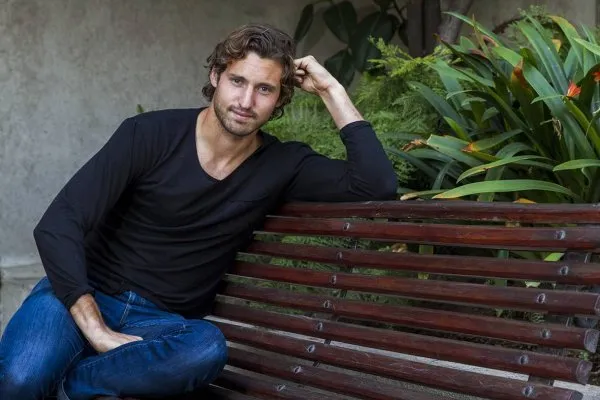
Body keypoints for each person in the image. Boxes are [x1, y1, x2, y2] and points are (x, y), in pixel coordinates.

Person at [0, 23, 397, 400]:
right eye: (237, 81)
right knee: (20, 381)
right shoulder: (148, 134)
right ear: (215, 76)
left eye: (264, 89)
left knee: (205, 348)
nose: (246, 101)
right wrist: (97, 330)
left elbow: (375, 186)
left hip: (159, 324)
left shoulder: (281, 165)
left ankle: (71, 387)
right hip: (81, 298)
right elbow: (58, 224)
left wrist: (330, 89)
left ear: (280, 99)